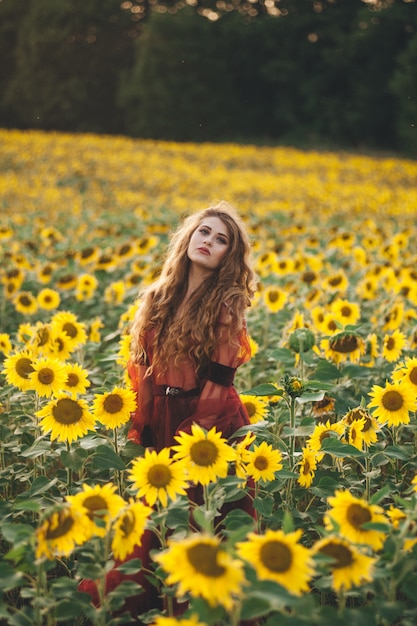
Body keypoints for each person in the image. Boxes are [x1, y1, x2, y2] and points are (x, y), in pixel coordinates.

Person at [79, 201, 257, 622]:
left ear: (228, 256)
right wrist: (143, 421)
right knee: (155, 523)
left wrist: (192, 442)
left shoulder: (227, 303)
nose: (208, 242)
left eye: (220, 240)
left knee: (205, 526)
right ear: (188, 238)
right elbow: (140, 365)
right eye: (204, 233)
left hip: (210, 429)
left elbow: (219, 380)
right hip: (162, 413)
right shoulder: (158, 295)